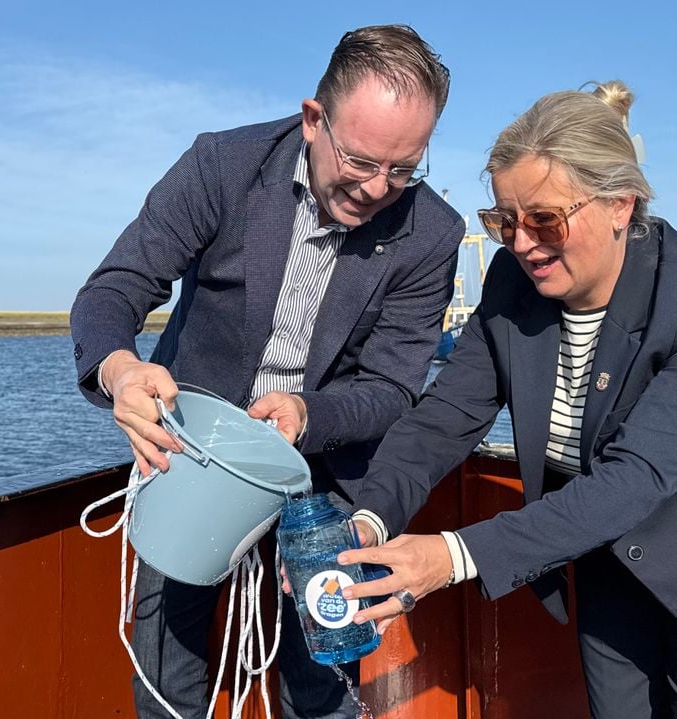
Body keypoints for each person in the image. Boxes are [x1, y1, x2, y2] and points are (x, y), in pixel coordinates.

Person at [338, 81, 677, 717]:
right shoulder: (513, 281)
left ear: (620, 204)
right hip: (608, 559)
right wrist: (368, 518)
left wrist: (452, 557)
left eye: (545, 219)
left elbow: (638, 475)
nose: (522, 244)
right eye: (504, 221)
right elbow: (444, 417)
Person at [69, 25, 464, 719]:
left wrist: (308, 414)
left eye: (404, 170)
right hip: (189, 455)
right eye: (363, 160)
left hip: (328, 471)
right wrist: (121, 369)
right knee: (169, 672)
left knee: (324, 680)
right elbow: (114, 289)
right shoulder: (221, 166)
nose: (379, 189)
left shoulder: (433, 233)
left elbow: (395, 387)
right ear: (315, 119)